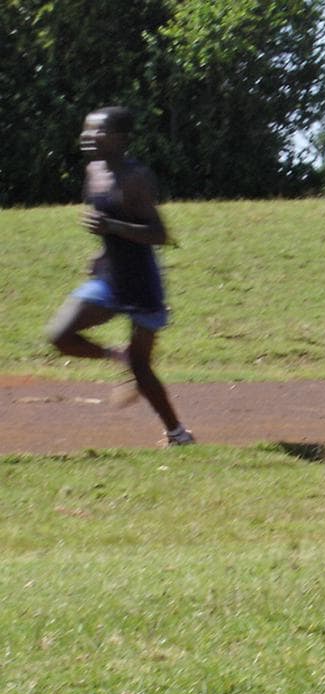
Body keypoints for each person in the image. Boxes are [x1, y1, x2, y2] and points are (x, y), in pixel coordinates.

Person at [46, 106, 194, 446]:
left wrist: (112, 226)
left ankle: (177, 434)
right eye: (86, 131)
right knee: (60, 335)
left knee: (142, 369)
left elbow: (160, 234)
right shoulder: (93, 171)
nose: (87, 137)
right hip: (110, 278)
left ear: (121, 139)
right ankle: (118, 355)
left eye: (97, 131)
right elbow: (107, 221)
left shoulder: (136, 176)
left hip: (141, 280)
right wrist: (101, 251)